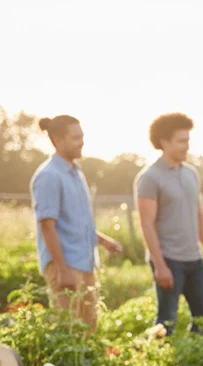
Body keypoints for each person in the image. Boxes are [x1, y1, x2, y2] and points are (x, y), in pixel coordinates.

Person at [30, 115, 123, 329]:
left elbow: (78, 222)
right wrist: (62, 269)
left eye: (82, 137)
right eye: (76, 138)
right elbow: (47, 225)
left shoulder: (76, 173)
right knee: (69, 330)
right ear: (57, 139)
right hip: (65, 264)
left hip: (84, 261)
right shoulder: (49, 176)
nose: (82, 142)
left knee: (89, 326)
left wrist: (103, 241)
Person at [135, 113, 203, 334]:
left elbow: (199, 215)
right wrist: (160, 265)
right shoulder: (150, 178)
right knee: (167, 321)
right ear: (164, 142)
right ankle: (158, 363)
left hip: (194, 258)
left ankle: (192, 362)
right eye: (182, 141)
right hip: (169, 259)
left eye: (188, 141)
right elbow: (147, 224)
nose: (187, 147)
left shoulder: (192, 173)